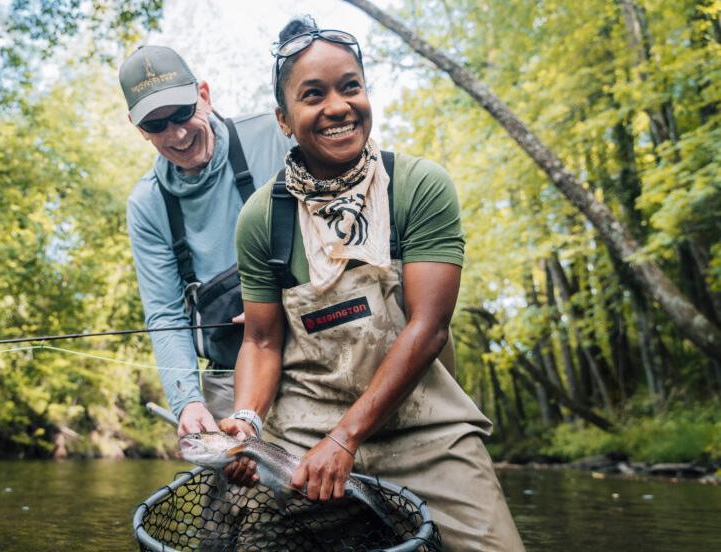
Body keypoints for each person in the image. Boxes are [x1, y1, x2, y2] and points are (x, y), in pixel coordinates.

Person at [220, 17, 525, 550]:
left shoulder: (418, 186)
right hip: (303, 433)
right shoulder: (260, 219)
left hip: (426, 431)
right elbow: (261, 340)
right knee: (248, 532)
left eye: (350, 87)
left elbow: (429, 327)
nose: (337, 106)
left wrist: (347, 438)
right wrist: (246, 424)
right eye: (313, 95)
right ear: (284, 121)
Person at [120, 46, 293, 436]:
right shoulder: (147, 204)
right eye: (156, 125)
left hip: (320, 349)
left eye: (182, 113)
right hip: (230, 377)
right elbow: (166, 314)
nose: (177, 134)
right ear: (137, 126)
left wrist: (287, 304)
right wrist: (188, 400)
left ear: (204, 94)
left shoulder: (274, 135)